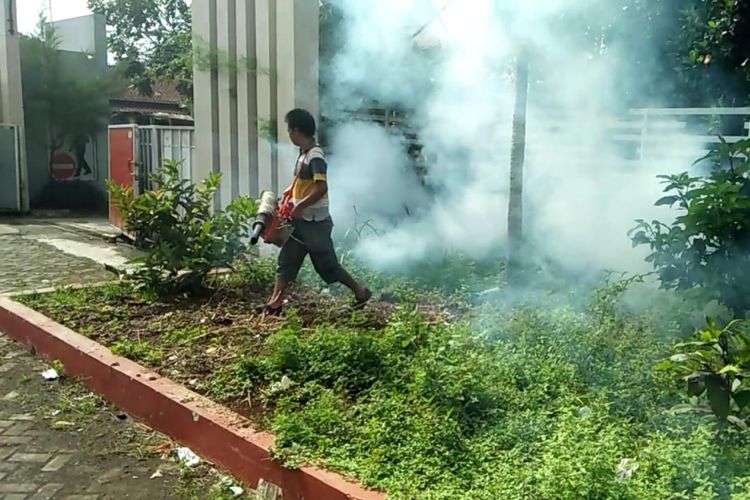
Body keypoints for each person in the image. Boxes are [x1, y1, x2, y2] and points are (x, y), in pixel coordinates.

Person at [258, 108, 371, 315]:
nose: (289, 134)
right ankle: (274, 303)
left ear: (297, 130)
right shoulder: (304, 155)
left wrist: (299, 206)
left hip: (315, 224)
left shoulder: (315, 156)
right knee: (287, 262)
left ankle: (361, 292)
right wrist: (289, 194)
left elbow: (321, 187)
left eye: (290, 130)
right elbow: (304, 184)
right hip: (301, 222)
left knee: (327, 266)